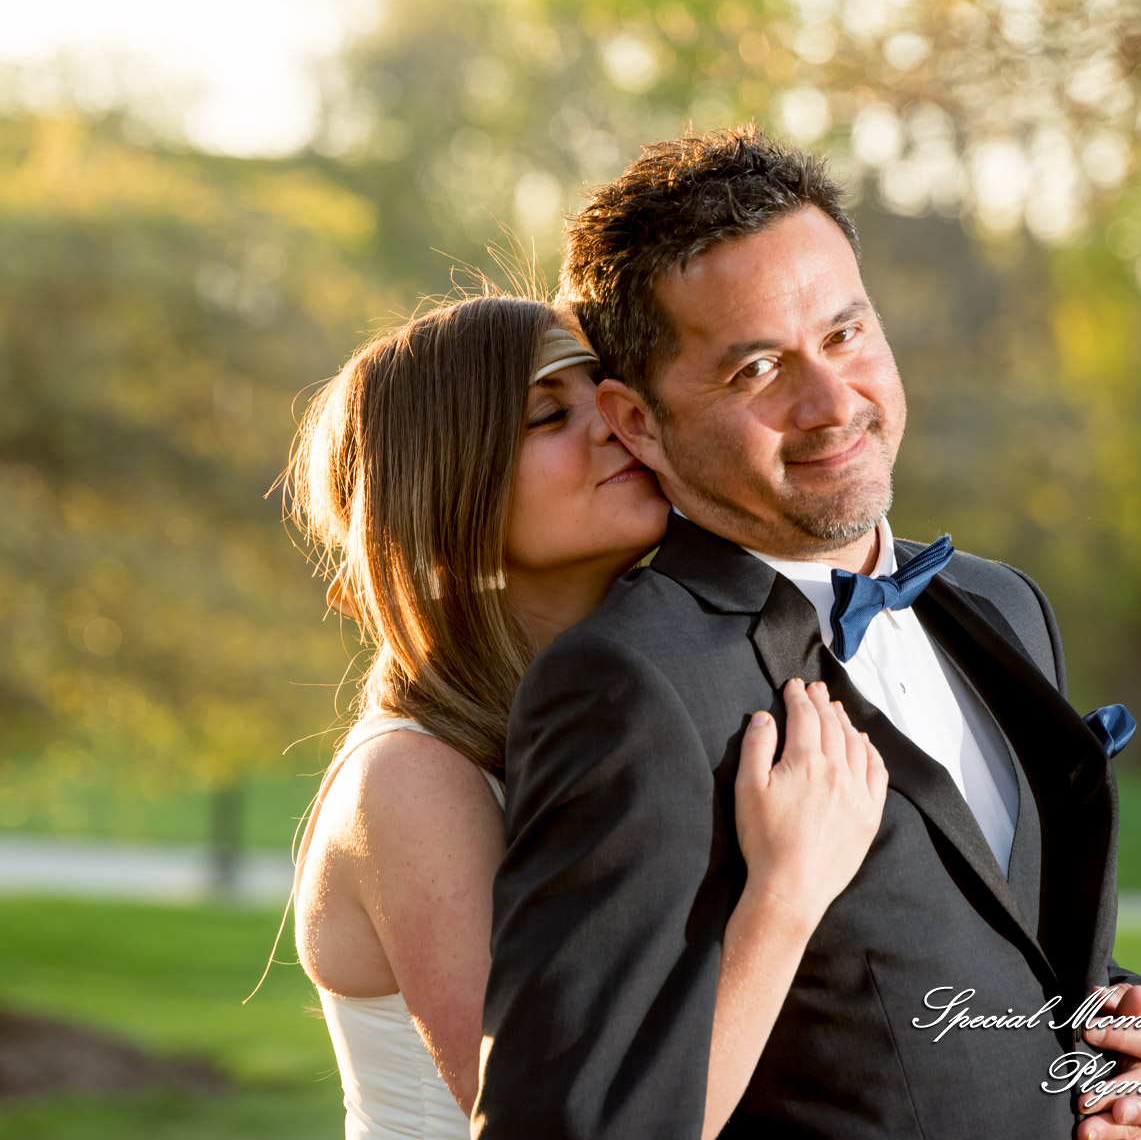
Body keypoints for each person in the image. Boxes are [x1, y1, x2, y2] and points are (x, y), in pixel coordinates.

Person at [475, 128, 1141, 1140]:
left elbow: (983, 955)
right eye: (755, 370)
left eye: (845, 336)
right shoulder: (633, 685)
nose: (833, 405)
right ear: (639, 422)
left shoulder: (1001, 606)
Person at [283, 294, 889, 1139]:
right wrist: (786, 894)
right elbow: (588, 1120)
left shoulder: (679, 700)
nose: (612, 423)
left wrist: (1119, 1044)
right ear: (449, 489)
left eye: (606, 394)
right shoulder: (412, 782)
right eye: (547, 415)